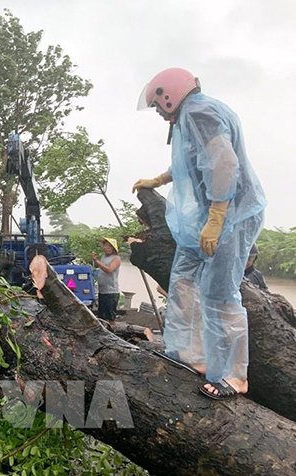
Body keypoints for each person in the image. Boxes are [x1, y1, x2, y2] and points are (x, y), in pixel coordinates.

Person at [134, 67, 267, 400]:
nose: (159, 114)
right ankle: (187, 353)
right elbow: (191, 162)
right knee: (182, 280)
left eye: (158, 106)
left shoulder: (200, 112)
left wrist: (218, 214)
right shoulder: (191, 117)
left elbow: (223, 162)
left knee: (218, 293)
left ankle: (234, 377)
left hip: (231, 216)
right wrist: (158, 180)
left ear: (168, 95)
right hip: (210, 217)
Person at [92, 237, 121, 321]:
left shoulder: (116, 258)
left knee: (110, 317)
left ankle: (113, 331)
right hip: (102, 291)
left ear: (114, 248)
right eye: (106, 245)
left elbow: (109, 270)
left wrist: (96, 261)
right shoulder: (103, 257)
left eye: (110, 246)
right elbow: (101, 267)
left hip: (111, 292)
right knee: (102, 317)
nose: (107, 248)